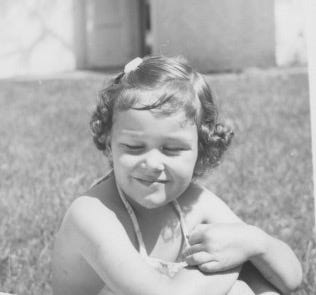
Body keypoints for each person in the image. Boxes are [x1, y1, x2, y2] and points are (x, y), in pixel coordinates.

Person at [52, 56, 302, 295]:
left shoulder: (195, 203)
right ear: (109, 143)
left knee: (257, 286)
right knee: (241, 282)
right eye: (133, 147)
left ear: (201, 149)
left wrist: (254, 242)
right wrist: (233, 258)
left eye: (172, 149)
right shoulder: (91, 214)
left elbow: (291, 279)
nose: (151, 163)